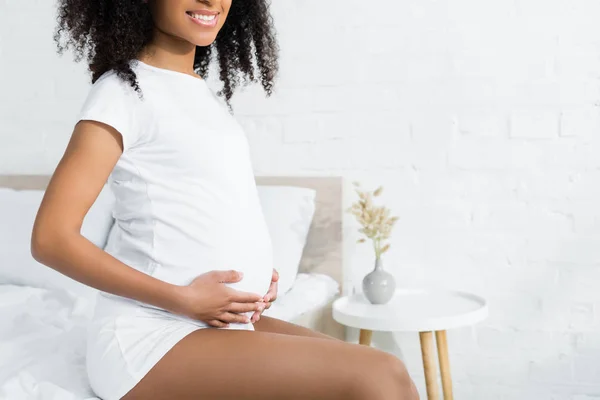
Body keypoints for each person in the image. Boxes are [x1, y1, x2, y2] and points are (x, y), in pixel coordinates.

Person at [31, 1, 420, 399]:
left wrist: (252, 271)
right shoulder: (122, 92)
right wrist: (182, 298)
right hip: (149, 336)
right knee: (377, 373)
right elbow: (50, 238)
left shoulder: (205, 97)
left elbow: (205, 206)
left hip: (217, 323)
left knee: (396, 377)